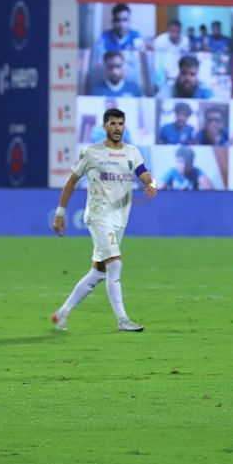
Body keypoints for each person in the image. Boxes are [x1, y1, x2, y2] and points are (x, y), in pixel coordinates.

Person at [50, 108, 156, 332]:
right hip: (99, 215)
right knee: (115, 264)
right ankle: (122, 320)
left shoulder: (132, 152)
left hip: (120, 218)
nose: (117, 128)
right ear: (104, 126)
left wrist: (151, 183)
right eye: (113, 124)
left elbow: (143, 173)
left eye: (121, 124)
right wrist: (60, 212)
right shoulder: (92, 152)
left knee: (98, 272)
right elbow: (71, 181)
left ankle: (62, 313)